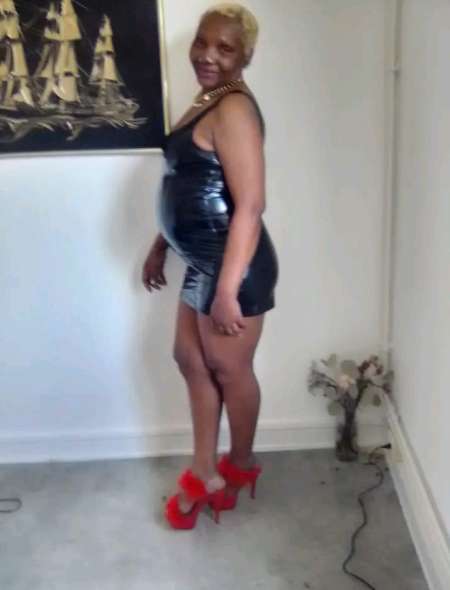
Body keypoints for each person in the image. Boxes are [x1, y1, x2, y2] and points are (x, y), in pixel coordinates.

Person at [142, 3, 279, 530]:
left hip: (234, 266)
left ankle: (239, 465)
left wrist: (227, 292)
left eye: (224, 48)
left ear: (246, 56)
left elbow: (250, 206)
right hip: (202, 257)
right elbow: (189, 181)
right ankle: (205, 471)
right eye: (202, 42)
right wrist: (162, 242)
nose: (207, 55)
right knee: (191, 360)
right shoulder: (208, 98)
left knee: (228, 368)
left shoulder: (235, 108)